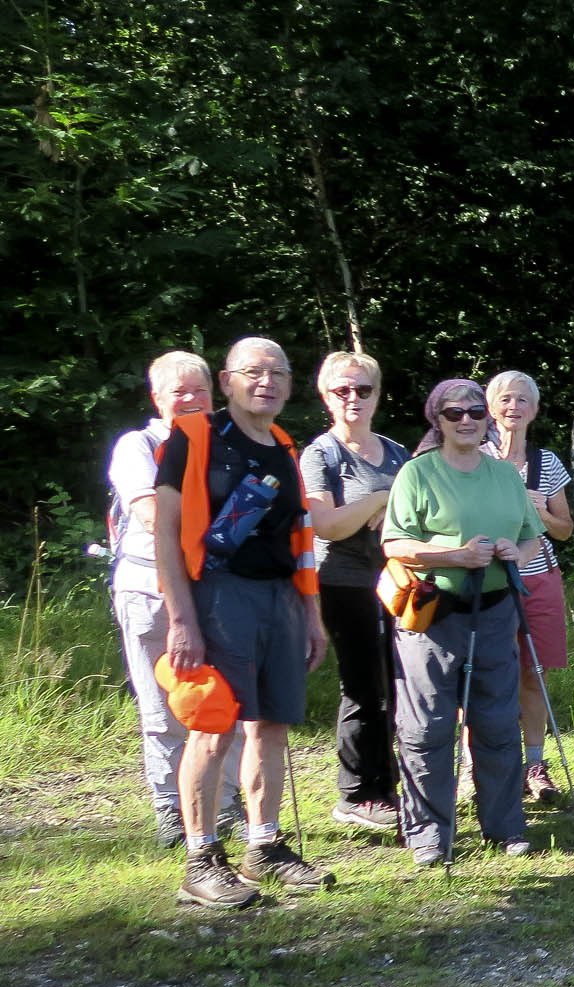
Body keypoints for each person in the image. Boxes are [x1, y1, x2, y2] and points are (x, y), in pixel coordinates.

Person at [154, 336, 332, 908]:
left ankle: (264, 846)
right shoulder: (193, 437)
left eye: (278, 372)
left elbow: (300, 539)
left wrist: (311, 615)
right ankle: (201, 859)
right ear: (227, 381)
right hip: (217, 595)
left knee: (271, 724)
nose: (267, 381)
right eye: (254, 371)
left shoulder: (284, 445)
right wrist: (182, 618)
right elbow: (165, 535)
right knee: (214, 724)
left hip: (280, 597)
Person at [381, 380, 547, 865]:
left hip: (495, 611)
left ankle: (505, 825)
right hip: (434, 616)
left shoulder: (505, 475)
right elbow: (395, 544)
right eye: (454, 413)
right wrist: (455, 556)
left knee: (497, 721)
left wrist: (515, 553)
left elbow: (531, 537)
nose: (467, 420)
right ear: (438, 420)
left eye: (475, 411)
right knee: (428, 726)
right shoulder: (417, 473)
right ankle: (428, 834)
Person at [107, 349, 243, 848]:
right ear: (156, 397)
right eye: (179, 391)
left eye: (199, 390)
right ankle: (171, 810)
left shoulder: (229, 444)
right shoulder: (137, 446)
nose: (190, 399)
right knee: (163, 708)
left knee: (223, 701)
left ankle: (226, 804)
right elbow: (150, 516)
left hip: (219, 590)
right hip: (149, 589)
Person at [301, 351, 412, 834]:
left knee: (400, 686)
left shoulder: (397, 453)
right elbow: (327, 525)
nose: (353, 398)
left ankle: (390, 788)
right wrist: (380, 499)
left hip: (399, 584)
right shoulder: (321, 455)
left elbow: (415, 516)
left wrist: (378, 510)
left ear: (377, 395)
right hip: (344, 584)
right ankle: (357, 794)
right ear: (325, 396)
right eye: (342, 390)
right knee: (364, 688)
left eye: (363, 389)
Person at [484, 370, 574, 805]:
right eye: (505, 399)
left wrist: (543, 512)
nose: (513, 407)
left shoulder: (546, 463)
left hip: (539, 578)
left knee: (534, 673)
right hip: (488, 578)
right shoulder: (475, 456)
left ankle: (534, 766)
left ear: (535, 410)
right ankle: (480, 766)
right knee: (485, 674)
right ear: (490, 408)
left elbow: (566, 529)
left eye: (522, 400)